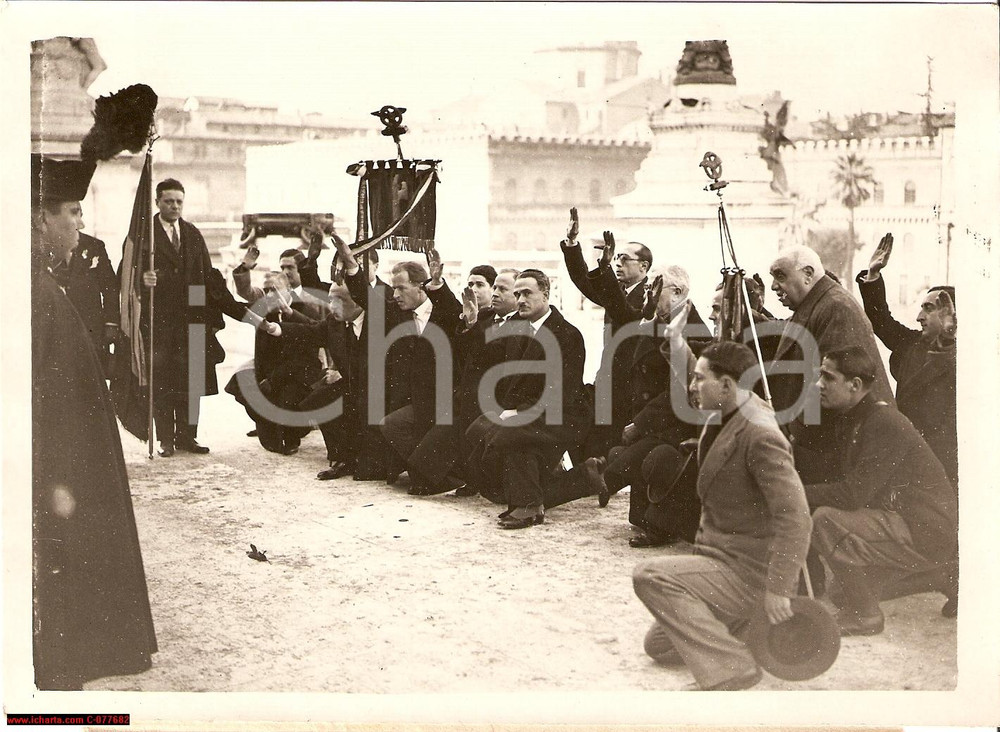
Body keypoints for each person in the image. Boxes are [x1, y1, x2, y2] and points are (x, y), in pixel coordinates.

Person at [30, 154, 157, 689]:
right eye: (72, 213)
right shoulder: (31, 288)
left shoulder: (40, 280)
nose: (78, 225)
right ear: (40, 220)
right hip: (57, 471)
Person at [632, 341, 812, 691]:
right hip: (720, 562)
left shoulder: (760, 434)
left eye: (700, 379)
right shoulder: (726, 413)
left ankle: (732, 668)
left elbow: (796, 518)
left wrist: (778, 589)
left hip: (747, 573)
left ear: (728, 385)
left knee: (650, 575)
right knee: (660, 646)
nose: (692, 386)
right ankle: (741, 626)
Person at [793, 347, 958, 634]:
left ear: (855, 385)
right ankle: (941, 574)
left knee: (826, 521)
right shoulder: (855, 415)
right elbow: (830, 468)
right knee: (840, 593)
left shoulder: (882, 422)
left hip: (925, 527)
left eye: (828, 377)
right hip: (912, 521)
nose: (819, 384)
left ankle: (866, 616)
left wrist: (792, 493)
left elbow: (851, 495)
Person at [464, 269, 599, 529]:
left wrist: (517, 413)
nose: (520, 299)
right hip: (527, 413)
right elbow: (483, 359)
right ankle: (578, 480)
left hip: (561, 414)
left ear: (546, 294)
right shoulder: (516, 328)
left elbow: (562, 391)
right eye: (517, 294)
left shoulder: (567, 335)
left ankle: (528, 506)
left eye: (527, 293)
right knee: (478, 431)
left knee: (510, 437)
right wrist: (472, 325)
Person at [332, 236, 463, 487]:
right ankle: (432, 473)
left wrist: (438, 283)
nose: (395, 294)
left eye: (401, 288)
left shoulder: (443, 311)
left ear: (420, 287)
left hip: (443, 398)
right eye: (393, 288)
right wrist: (350, 262)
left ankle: (438, 474)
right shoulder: (395, 312)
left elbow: (454, 310)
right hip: (407, 397)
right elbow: (364, 296)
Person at [856, 233, 957, 487]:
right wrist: (873, 276)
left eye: (929, 308)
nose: (919, 316)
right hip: (908, 460)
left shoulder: (969, 362)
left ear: (951, 316)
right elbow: (881, 320)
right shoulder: (911, 344)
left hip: (943, 469)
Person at [140, 178, 223, 456]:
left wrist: (210, 319)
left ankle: (188, 437)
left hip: (192, 319)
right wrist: (144, 279)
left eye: (178, 202)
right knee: (163, 381)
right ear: (157, 202)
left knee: (192, 381)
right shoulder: (145, 234)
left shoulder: (192, 233)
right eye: (168, 201)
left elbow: (207, 276)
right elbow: (126, 275)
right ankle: (165, 439)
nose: (174, 206)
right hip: (160, 320)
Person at [766, 245, 894, 421]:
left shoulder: (836, 308)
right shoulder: (820, 303)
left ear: (808, 274)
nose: (773, 286)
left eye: (780, 276)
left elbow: (835, 390)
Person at [561, 213, 652, 457]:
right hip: (610, 380)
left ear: (643, 266)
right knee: (590, 443)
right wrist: (572, 244)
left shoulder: (649, 295)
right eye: (617, 258)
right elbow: (584, 282)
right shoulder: (618, 291)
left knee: (611, 448)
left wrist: (605, 268)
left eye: (624, 258)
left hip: (632, 385)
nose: (618, 263)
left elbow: (624, 312)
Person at [262, 283, 364, 477]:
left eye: (338, 300)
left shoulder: (377, 320)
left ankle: (360, 455)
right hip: (352, 383)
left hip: (378, 386)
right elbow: (310, 332)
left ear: (358, 301)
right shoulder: (335, 323)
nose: (332, 305)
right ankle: (341, 458)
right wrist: (275, 328)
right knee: (317, 399)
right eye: (330, 299)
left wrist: (344, 373)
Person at [49, 230, 119, 375]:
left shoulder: (94, 246)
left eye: (78, 214)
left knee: (90, 377)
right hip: (56, 326)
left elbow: (110, 287)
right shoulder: (46, 244)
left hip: (90, 327)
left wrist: (111, 323)